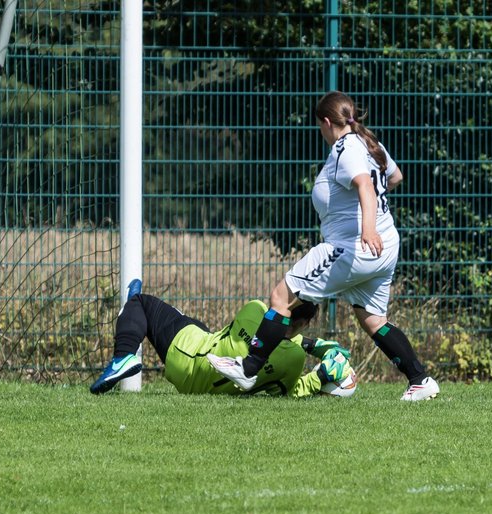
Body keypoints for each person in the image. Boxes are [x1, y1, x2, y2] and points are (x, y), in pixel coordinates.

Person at [204, 90, 439, 402]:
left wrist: (367, 226)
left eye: (320, 126)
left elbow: (366, 186)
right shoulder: (371, 144)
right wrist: (371, 217)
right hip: (384, 247)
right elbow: (394, 177)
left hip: (353, 246)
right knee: (373, 320)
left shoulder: (347, 148)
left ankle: (248, 369)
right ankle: (420, 379)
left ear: (327, 122)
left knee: (280, 296)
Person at [90, 282, 354, 398]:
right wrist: (319, 377)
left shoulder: (253, 310)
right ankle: (131, 322)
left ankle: (125, 353)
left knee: (141, 302)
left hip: (186, 354)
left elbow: (268, 329)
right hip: (204, 385)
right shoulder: (293, 360)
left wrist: (309, 343)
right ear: (305, 323)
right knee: (198, 325)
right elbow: (288, 389)